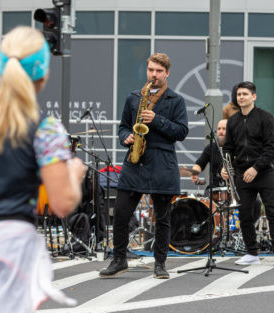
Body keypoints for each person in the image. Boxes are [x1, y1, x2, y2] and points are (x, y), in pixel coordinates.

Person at [0, 26, 87, 313]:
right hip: (12, 244)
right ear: (43, 76)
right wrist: (75, 173)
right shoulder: (45, 129)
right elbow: (61, 204)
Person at [99, 53, 188, 279]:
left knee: (163, 218)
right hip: (135, 162)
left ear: (167, 73)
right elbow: (122, 127)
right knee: (120, 214)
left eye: (159, 71)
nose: (154, 75)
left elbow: (181, 132)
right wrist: (126, 136)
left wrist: (156, 119)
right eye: (151, 70)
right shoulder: (133, 98)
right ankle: (119, 259)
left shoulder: (176, 100)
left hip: (162, 163)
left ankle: (160, 264)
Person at [221, 81, 274, 266]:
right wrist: (225, 166)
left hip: (265, 172)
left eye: (245, 94)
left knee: (273, 211)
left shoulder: (265, 118)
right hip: (242, 173)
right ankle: (251, 253)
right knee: (244, 213)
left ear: (254, 96)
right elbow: (228, 147)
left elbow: (271, 148)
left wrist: (256, 168)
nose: (241, 97)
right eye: (239, 94)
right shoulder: (232, 121)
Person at [191, 119, 228, 188]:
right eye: (219, 129)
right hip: (214, 188)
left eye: (224, 129)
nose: (220, 131)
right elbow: (200, 163)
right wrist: (195, 173)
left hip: (232, 189)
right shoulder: (210, 147)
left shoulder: (236, 147)